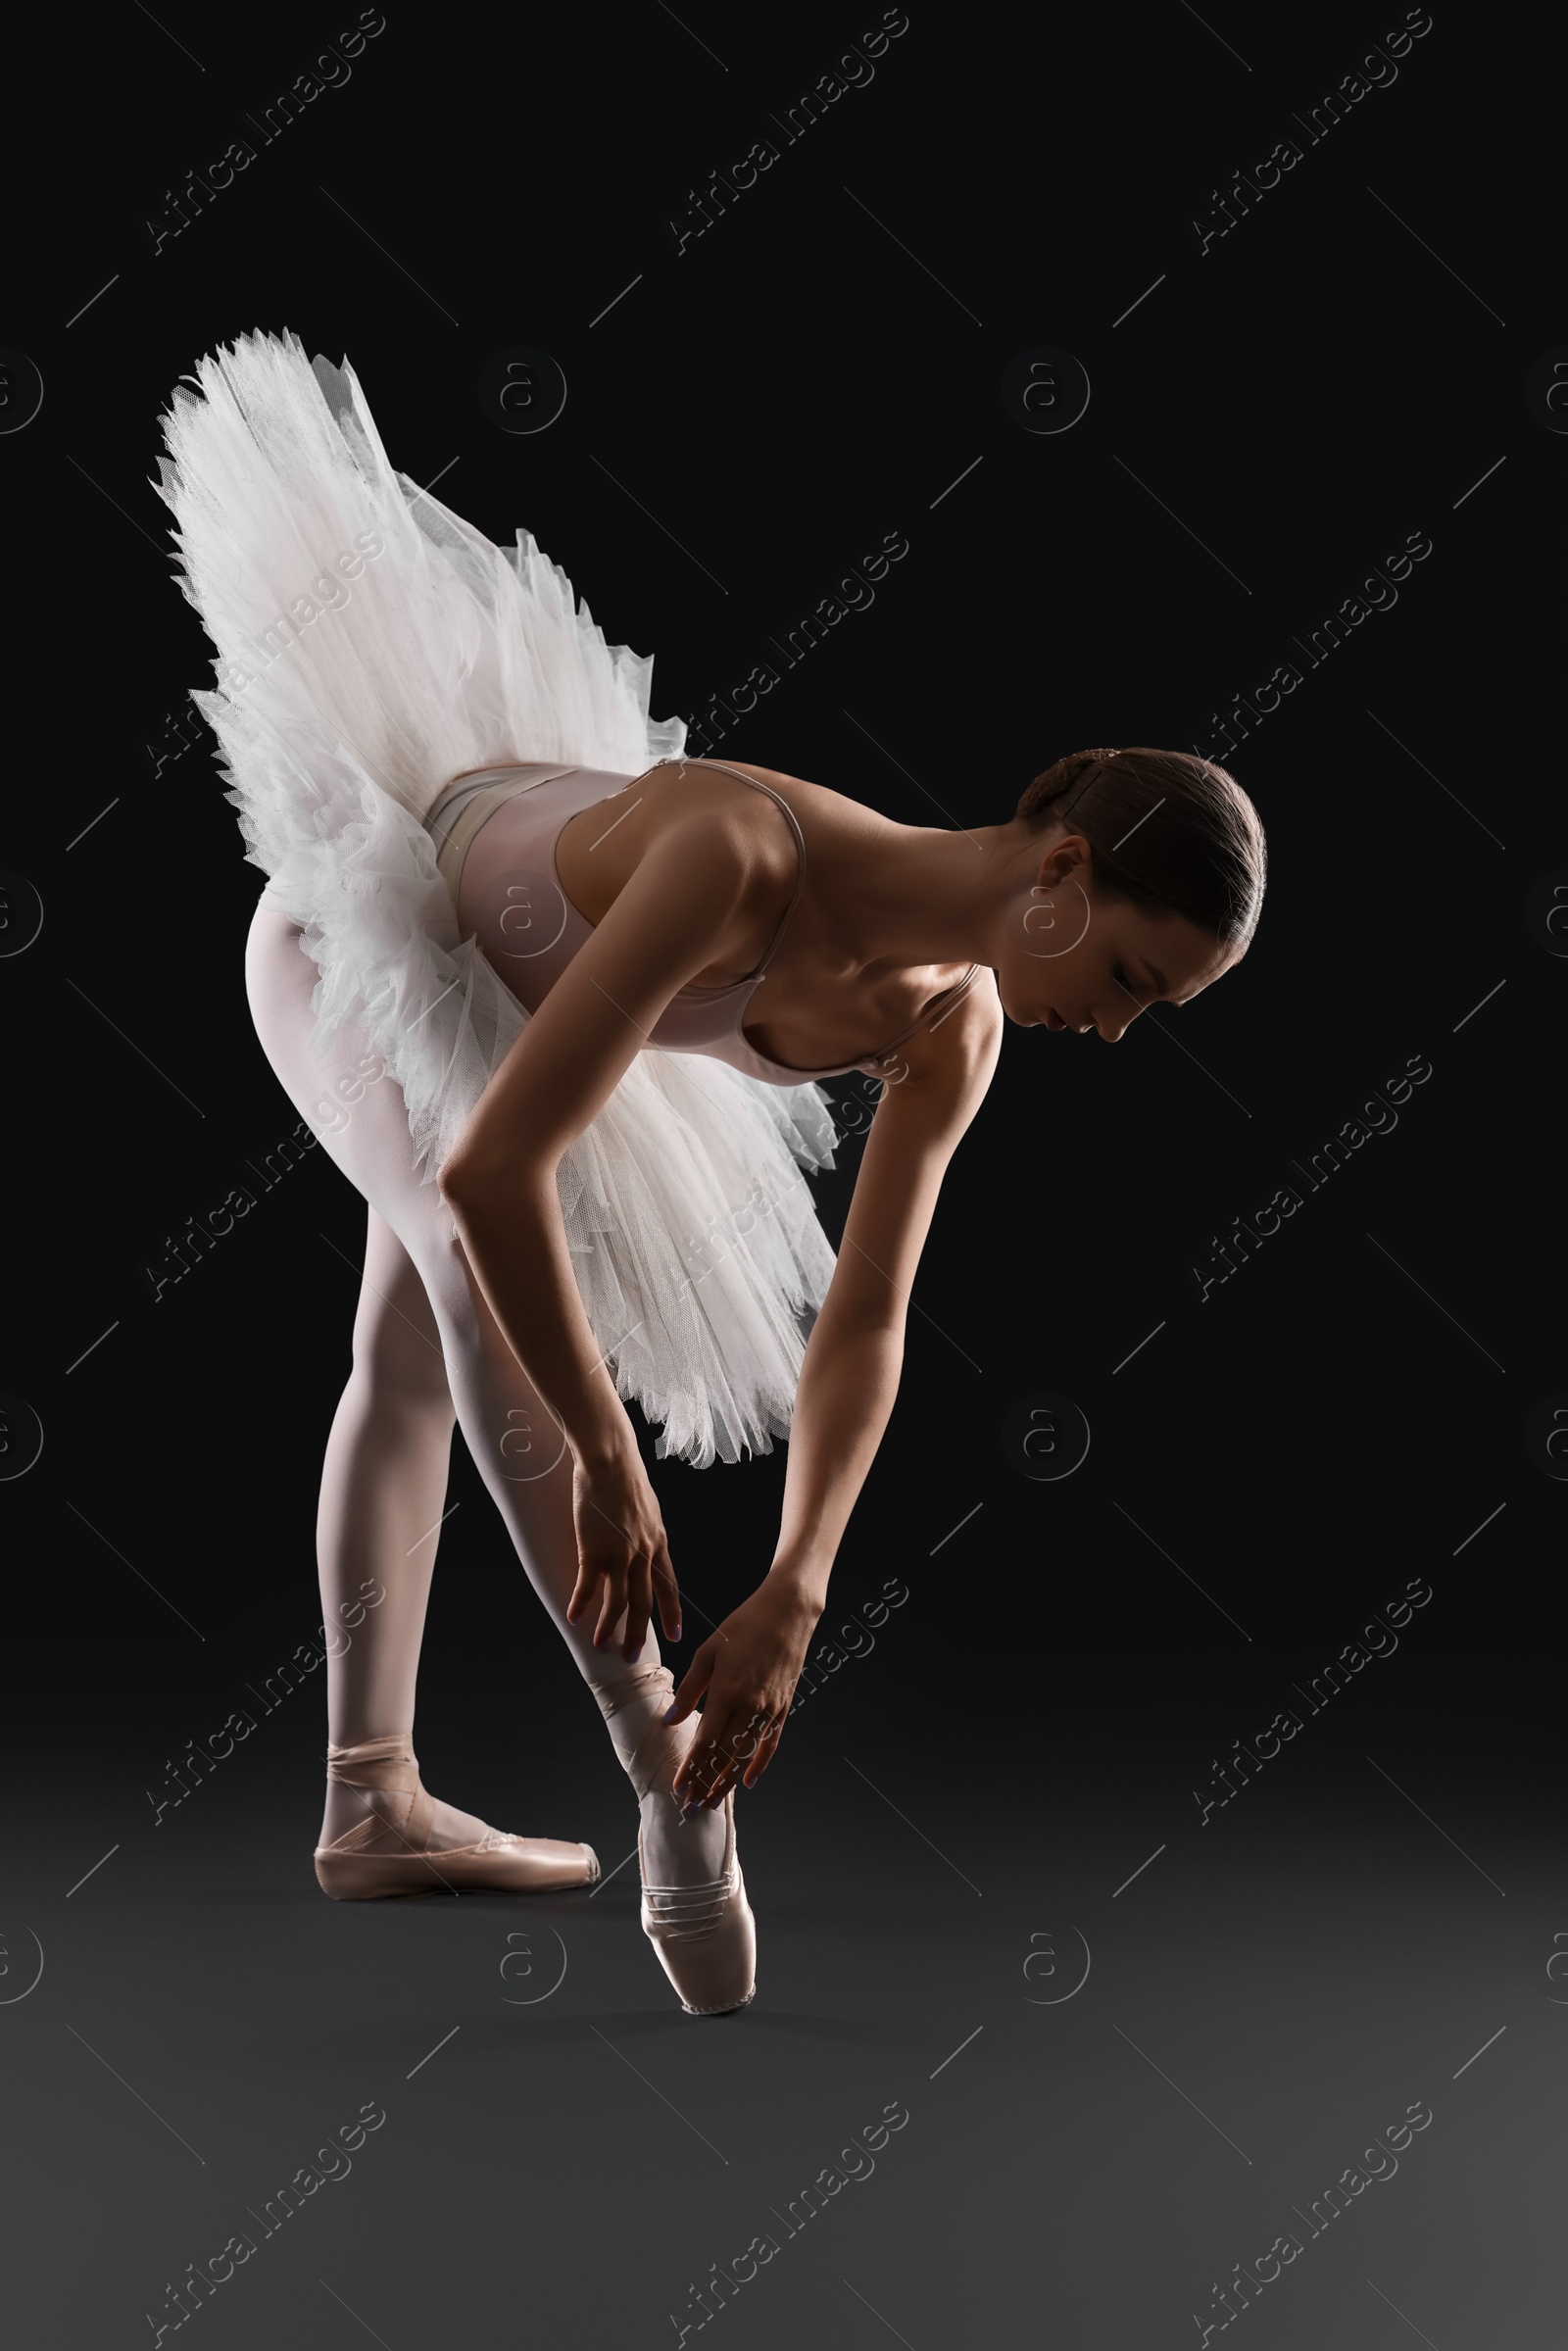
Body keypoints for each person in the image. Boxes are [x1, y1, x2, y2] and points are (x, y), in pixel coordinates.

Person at [156, 329, 1266, 2017]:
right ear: (1058, 872)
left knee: (405, 1359)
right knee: (469, 1277)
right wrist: (607, 1447)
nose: (1119, 1031)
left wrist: (803, 1581)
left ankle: (367, 1797)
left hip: (511, 1026)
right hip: (355, 944)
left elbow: (870, 1321)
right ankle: (670, 1783)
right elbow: (503, 1167)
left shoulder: (951, 1028)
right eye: (1129, 981)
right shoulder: (740, 855)